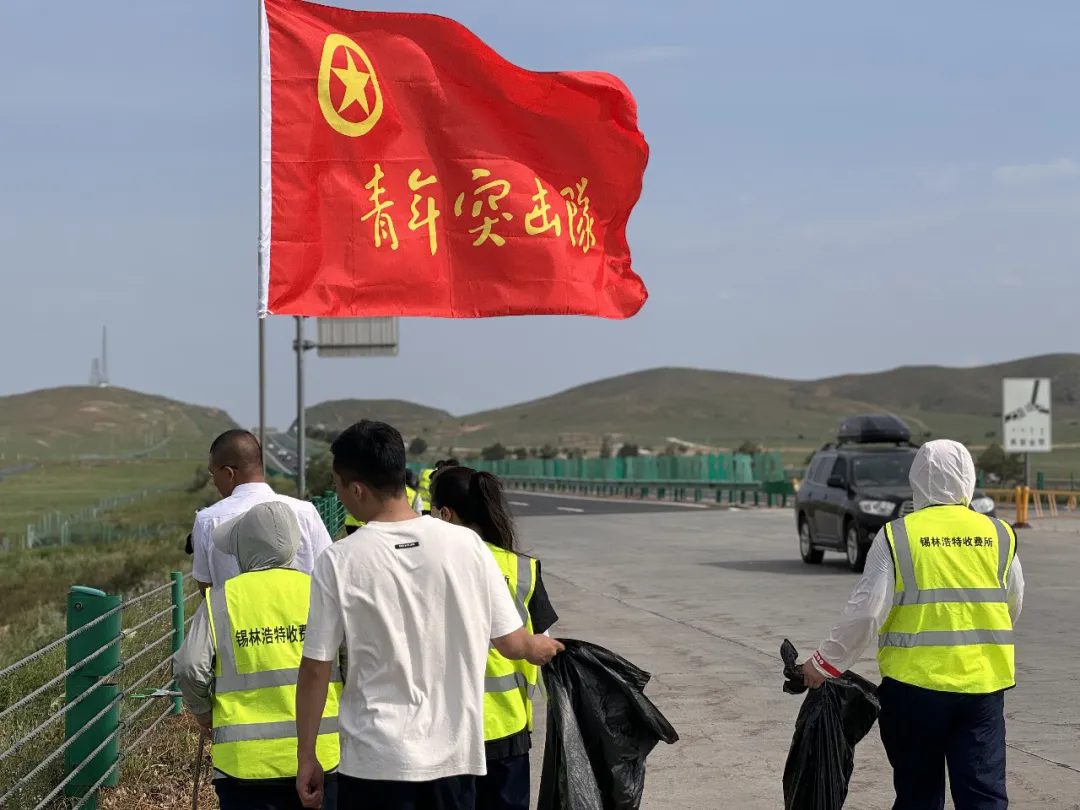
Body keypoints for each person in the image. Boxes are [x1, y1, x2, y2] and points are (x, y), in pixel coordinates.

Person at [294, 421, 562, 810]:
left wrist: (307, 756)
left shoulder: (338, 560)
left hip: (373, 762)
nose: (339, 495)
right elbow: (513, 643)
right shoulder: (468, 545)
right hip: (453, 760)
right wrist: (544, 648)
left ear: (357, 489)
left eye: (338, 485)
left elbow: (316, 668)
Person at [800, 439, 1024, 810]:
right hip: (982, 688)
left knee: (918, 796)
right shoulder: (999, 534)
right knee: (983, 797)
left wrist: (824, 664)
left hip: (913, 689)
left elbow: (867, 613)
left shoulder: (897, 536)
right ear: (968, 478)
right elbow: (1011, 605)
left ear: (916, 480)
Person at [173, 501, 343, 810]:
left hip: (244, 768)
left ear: (245, 549)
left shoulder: (220, 601)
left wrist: (203, 713)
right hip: (324, 757)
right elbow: (353, 662)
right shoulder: (322, 592)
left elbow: (189, 667)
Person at [431, 465, 558, 810]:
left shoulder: (425, 567)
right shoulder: (521, 568)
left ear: (446, 514)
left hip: (445, 729)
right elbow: (544, 647)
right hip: (507, 726)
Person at [192, 430, 333, 591]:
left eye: (213, 473)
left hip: (235, 608)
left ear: (229, 473)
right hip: (304, 607)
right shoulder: (306, 512)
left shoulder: (207, 520)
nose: (214, 481)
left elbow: (205, 588)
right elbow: (328, 572)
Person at [344, 468, 423, 535]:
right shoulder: (414, 494)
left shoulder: (387, 490)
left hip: (351, 524)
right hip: (401, 527)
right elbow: (419, 515)